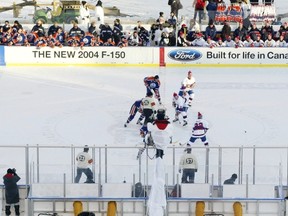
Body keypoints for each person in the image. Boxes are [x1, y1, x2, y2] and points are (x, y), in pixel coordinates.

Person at [145, 108, 172, 216]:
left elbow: (148, 128)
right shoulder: (169, 125)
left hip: (157, 143)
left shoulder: (153, 125)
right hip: (164, 144)